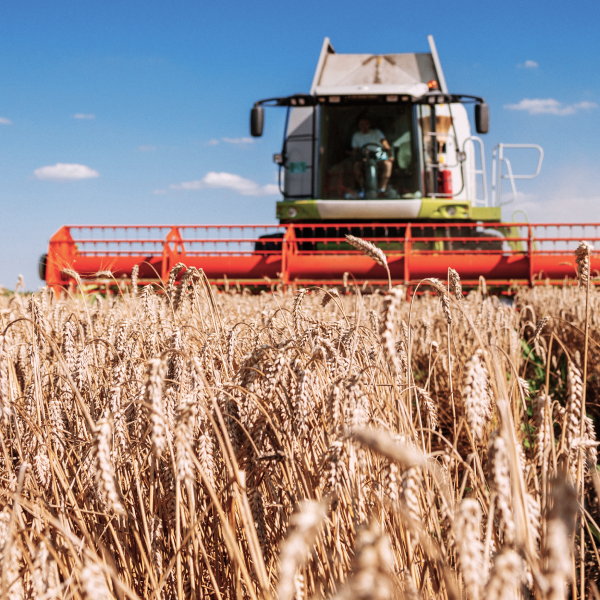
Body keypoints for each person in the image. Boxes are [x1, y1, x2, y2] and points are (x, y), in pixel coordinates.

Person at [351, 116, 394, 197]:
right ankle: (363, 189)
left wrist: (390, 155)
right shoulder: (356, 136)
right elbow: (355, 151)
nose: (364, 126)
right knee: (356, 166)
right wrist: (358, 158)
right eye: (362, 125)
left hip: (379, 158)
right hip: (364, 159)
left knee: (387, 164)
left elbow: (385, 144)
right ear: (359, 126)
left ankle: (382, 189)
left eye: (366, 124)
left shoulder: (377, 132)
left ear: (369, 125)